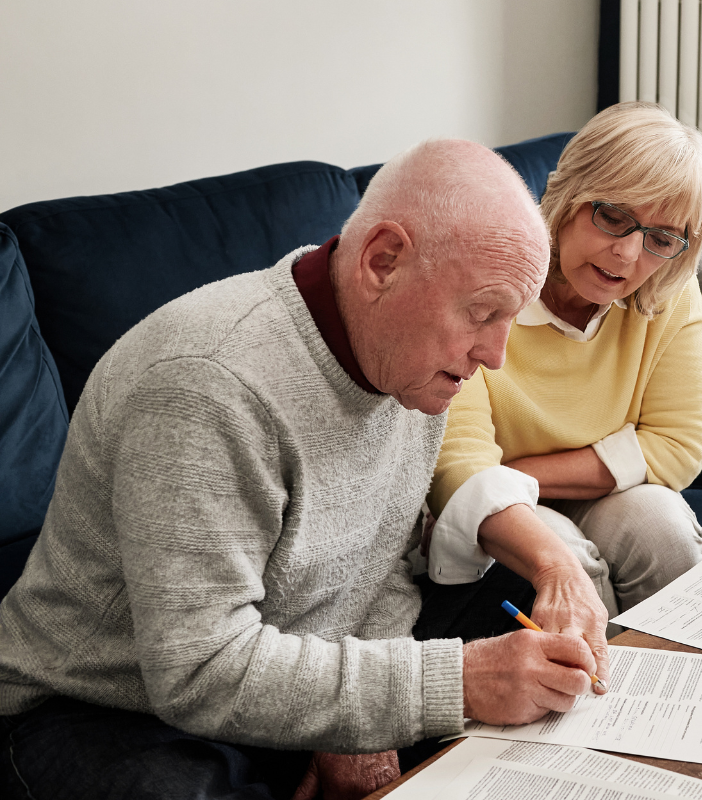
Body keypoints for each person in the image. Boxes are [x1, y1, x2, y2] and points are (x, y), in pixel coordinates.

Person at [0, 139, 612, 800]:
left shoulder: (411, 363)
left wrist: (368, 726)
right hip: (107, 702)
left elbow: (379, 568)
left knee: (516, 615)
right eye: (483, 313)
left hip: (292, 651)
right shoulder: (207, 385)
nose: (494, 355)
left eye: (509, 320)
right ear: (383, 261)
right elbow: (198, 669)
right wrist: (454, 683)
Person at [425, 102, 702, 621]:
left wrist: (516, 473)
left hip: (545, 484)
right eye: (613, 218)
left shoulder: (667, 289)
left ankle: (681, 671)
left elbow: (678, 446)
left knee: (663, 526)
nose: (628, 255)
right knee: (567, 558)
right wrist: (510, 484)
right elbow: (460, 464)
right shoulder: (483, 280)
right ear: (567, 197)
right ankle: (602, 675)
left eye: (660, 239)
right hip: (493, 506)